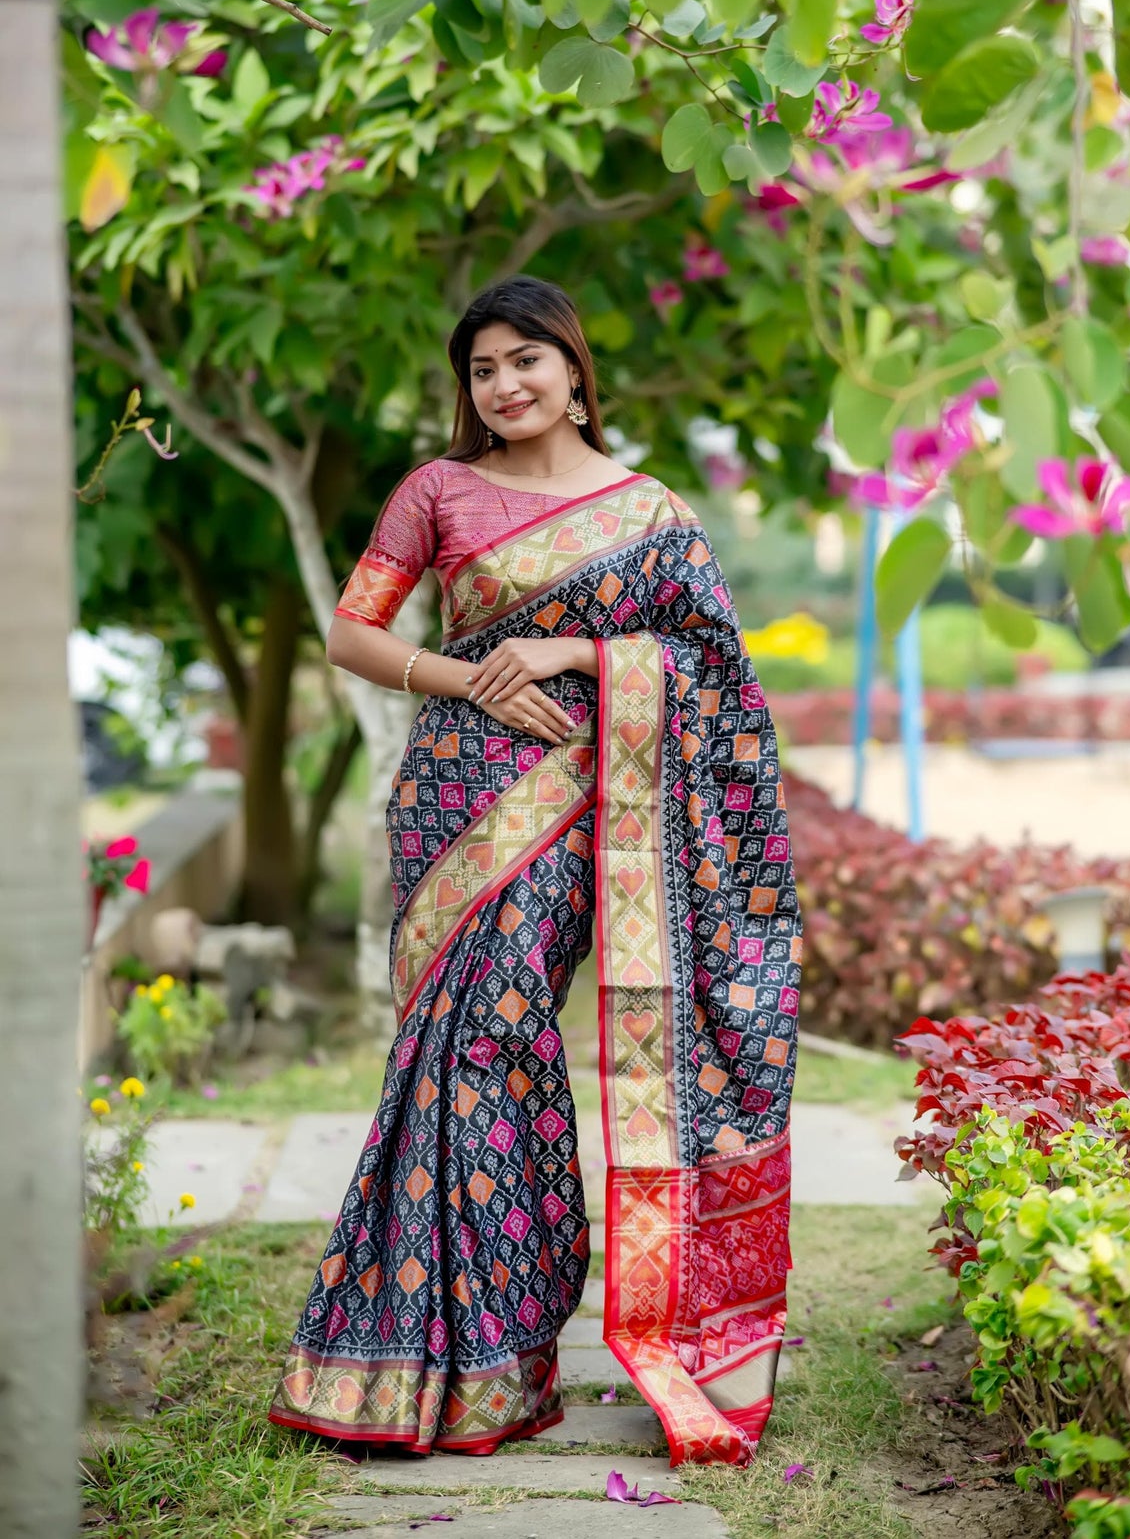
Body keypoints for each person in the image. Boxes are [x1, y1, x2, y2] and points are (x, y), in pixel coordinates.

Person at [268, 276, 802, 1467]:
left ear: (572, 368)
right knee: (455, 1049)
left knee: (503, 1037)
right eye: (482, 369)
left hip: (590, 811)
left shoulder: (652, 511)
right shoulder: (436, 491)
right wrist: (471, 676)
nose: (505, 385)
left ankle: (498, 1339)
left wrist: (564, 647)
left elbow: (715, 668)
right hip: (455, 796)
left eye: (526, 360)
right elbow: (353, 630)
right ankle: (452, 1359)